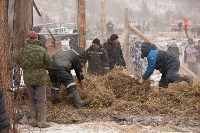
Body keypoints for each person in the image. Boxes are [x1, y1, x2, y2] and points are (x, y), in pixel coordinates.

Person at [15, 31, 52, 128]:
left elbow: (17, 60)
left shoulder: (23, 50)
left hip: (28, 78)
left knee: (32, 99)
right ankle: (42, 121)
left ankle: (33, 120)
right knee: (41, 99)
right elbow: (49, 63)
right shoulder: (42, 50)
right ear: (37, 39)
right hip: (40, 78)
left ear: (28, 39)